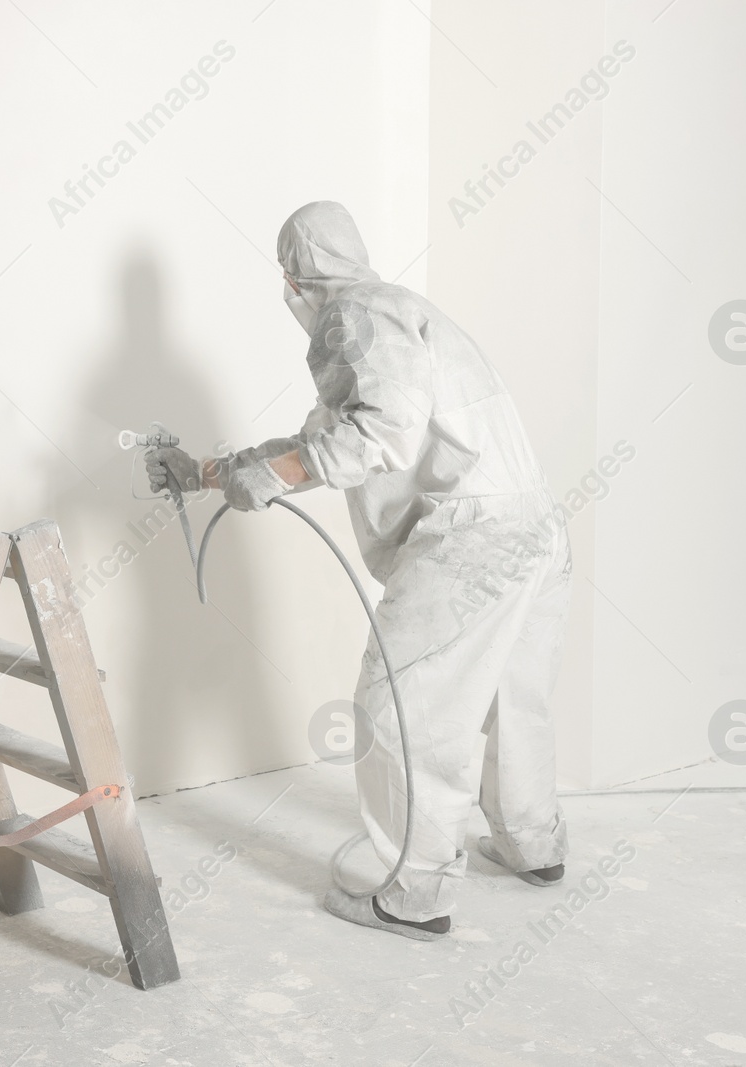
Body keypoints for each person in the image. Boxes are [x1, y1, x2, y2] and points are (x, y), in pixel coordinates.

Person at [147, 201, 572, 940]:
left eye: (286, 275)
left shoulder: (356, 318)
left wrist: (275, 477)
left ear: (294, 272)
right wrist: (215, 471)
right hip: (534, 524)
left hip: (469, 536)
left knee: (397, 703)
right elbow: (334, 433)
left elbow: (375, 434)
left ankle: (413, 892)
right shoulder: (403, 312)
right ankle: (532, 841)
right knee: (512, 695)